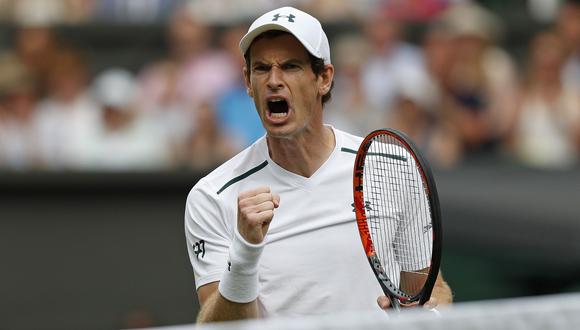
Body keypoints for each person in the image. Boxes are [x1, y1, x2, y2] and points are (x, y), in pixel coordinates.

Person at [184, 6, 452, 323]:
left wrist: (427, 316)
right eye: (261, 68)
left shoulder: (392, 166)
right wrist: (244, 252)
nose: (273, 81)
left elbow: (429, 288)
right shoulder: (212, 196)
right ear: (248, 81)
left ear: (323, 78)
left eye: (291, 66)